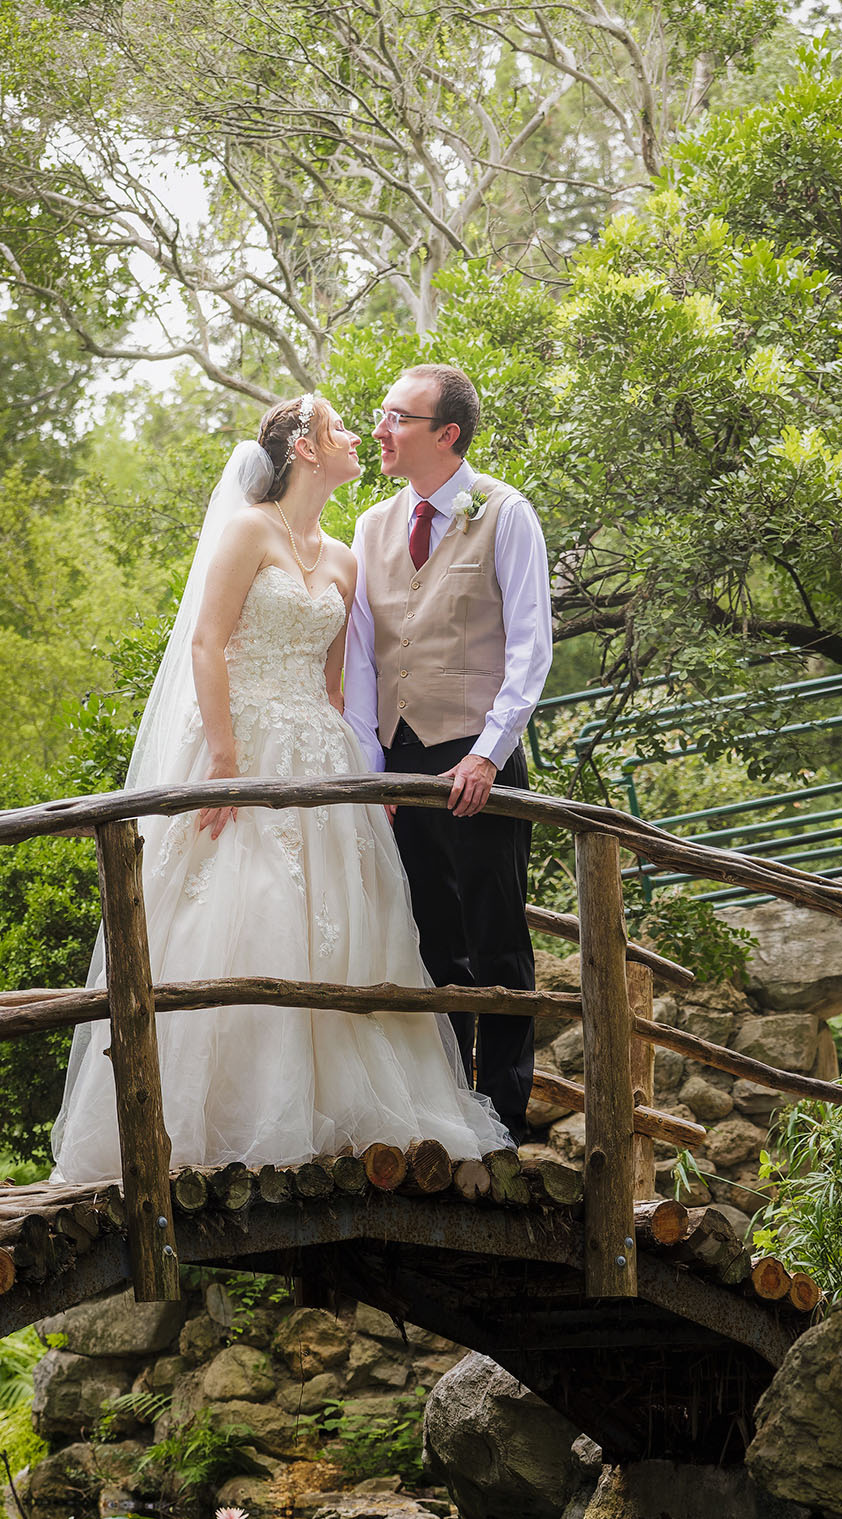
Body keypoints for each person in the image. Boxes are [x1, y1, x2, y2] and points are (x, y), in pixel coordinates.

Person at [50, 394, 511, 1181]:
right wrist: (224, 761)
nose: (358, 437)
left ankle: (338, 1114)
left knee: (346, 926)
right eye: (339, 429)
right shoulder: (245, 531)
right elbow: (206, 641)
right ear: (303, 448)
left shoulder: (343, 556)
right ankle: (219, 1124)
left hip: (319, 756)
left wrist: (353, 768)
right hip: (243, 745)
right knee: (247, 908)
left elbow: (337, 682)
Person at [342, 363, 553, 1137]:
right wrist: (376, 772)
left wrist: (488, 755)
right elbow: (364, 659)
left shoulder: (505, 512)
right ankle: (445, 1109)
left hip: (478, 758)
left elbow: (531, 649)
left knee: (497, 939)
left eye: (397, 416)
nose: (381, 429)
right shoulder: (370, 528)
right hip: (402, 762)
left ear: (447, 434)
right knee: (427, 940)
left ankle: (506, 1115)